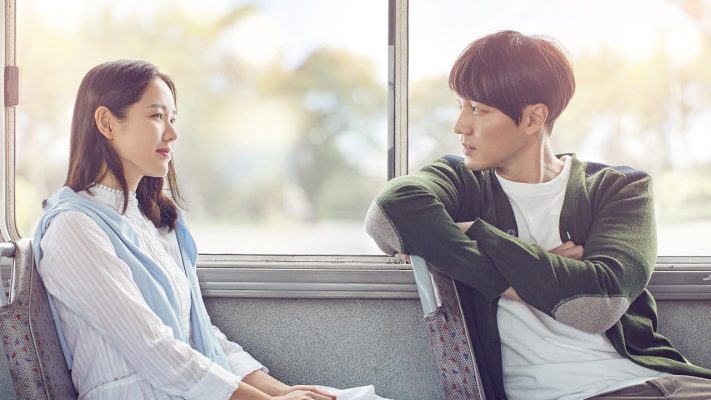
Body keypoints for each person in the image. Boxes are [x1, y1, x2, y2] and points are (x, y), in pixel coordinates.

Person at [364, 30, 711, 400]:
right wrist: (529, 273)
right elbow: (390, 212)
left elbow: (598, 304)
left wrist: (479, 234)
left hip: (665, 383)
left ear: (533, 118)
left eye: (478, 109)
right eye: (460, 105)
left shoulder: (619, 188)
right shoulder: (460, 182)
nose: (460, 125)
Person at [34, 60, 388, 400]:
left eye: (173, 119)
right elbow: (155, 351)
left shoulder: (148, 222)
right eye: (157, 116)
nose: (172, 133)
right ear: (107, 123)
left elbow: (202, 338)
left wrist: (284, 392)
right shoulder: (73, 229)